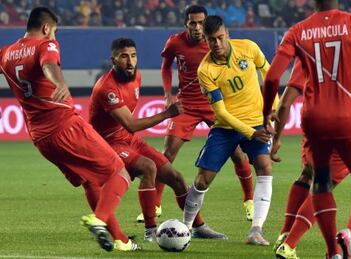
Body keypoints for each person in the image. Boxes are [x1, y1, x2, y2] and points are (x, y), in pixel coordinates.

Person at [0, 7, 135, 252]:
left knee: (88, 182)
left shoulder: (6, 53)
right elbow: (49, 64)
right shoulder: (46, 45)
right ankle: (99, 219)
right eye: (54, 32)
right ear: (45, 28)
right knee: (120, 174)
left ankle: (120, 240)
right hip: (65, 126)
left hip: (41, 138)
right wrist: (59, 82)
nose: (54, 36)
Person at [262, 0, 351, 257]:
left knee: (317, 180)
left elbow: (274, 80)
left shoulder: (299, 33)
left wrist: (269, 120)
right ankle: (344, 234)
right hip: (348, 116)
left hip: (313, 120)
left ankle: (328, 250)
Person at [89, 37, 227, 242]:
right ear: (113, 60)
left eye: (133, 56)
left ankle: (198, 226)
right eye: (124, 57)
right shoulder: (107, 89)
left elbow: (129, 129)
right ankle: (150, 231)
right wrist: (166, 114)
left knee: (177, 178)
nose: (130, 61)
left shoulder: (136, 77)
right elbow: (131, 124)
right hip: (107, 144)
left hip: (129, 139)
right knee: (148, 168)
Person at [138, 4, 255, 224]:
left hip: (215, 103)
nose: (197, 27)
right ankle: (156, 203)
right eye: (193, 22)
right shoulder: (175, 42)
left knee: (237, 154)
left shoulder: (216, 43)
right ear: (186, 24)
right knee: (168, 152)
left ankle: (249, 200)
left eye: (201, 22)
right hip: (187, 105)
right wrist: (167, 94)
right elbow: (165, 67)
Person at [271, 59, 351, 259]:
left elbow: (286, 99)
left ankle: (286, 234)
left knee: (308, 175)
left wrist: (276, 137)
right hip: (347, 121)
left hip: (313, 121)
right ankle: (290, 244)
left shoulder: (307, 43)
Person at [183, 15, 274, 246]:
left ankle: (256, 230)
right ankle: (185, 228)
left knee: (264, 166)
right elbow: (221, 113)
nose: (217, 44)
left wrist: (273, 108)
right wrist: (251, 133)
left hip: (256, 121)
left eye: (221, 38)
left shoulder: (249, 48)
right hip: (226, 127)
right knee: (203, 180)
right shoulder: (206, 70)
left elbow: (269, 74)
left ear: (228, 34)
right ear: (205, 40)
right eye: (211, 40)